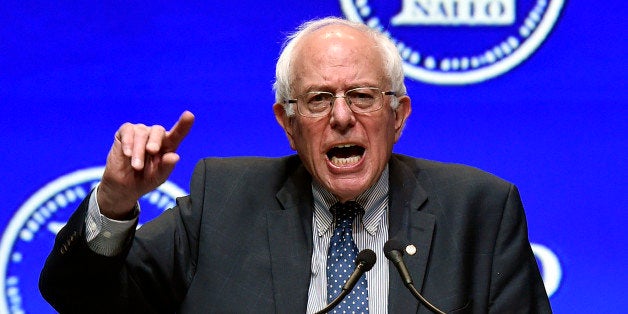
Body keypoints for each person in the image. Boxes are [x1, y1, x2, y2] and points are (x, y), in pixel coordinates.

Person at [39, 17, 552, 313]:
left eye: (363, 96)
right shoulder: (222, 202)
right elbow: (80, 301)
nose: (343, 117)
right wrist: (115, 202)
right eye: (318, 99)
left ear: (399, 116)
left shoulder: (480, 210)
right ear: (287, 123)